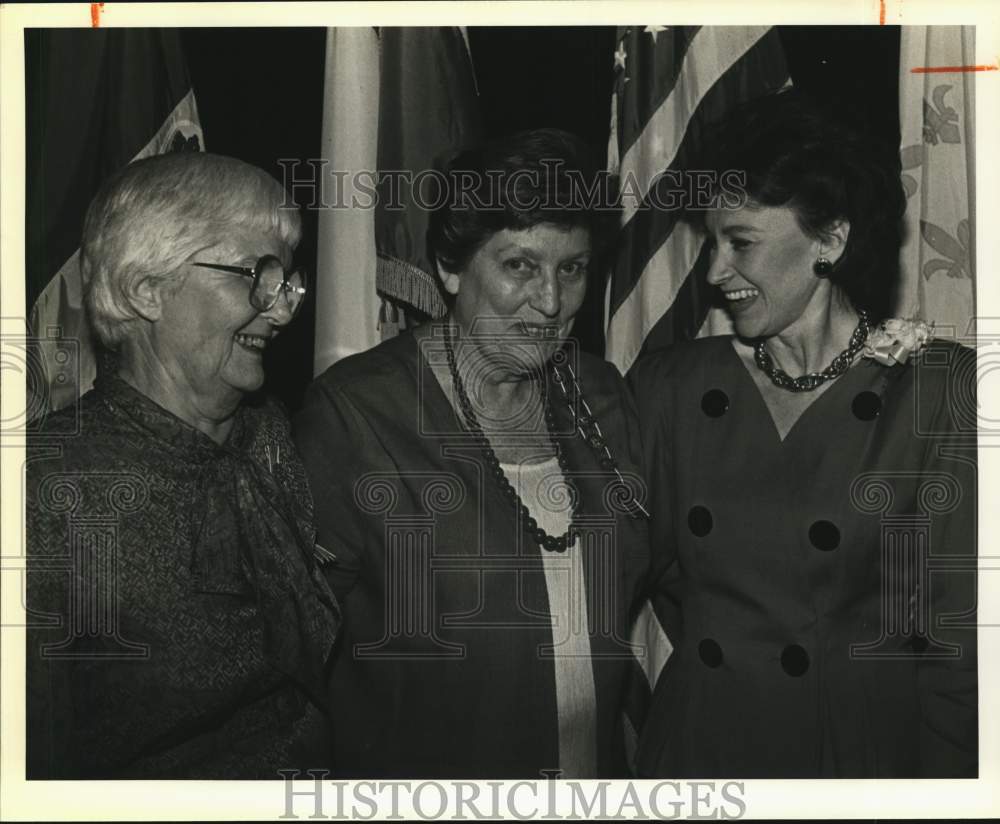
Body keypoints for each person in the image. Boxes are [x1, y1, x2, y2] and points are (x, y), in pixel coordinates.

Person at [630, 90, 977, 778]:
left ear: (831, 240)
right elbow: (654, 580)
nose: (714, 272)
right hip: (702, 750)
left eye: (742, 244)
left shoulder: (935, 393)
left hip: (851, 758)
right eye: (711, 242)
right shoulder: (671, 386)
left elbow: (958, 650)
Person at [295, 129, 649, 778]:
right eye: (519, 265)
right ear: (451, 268)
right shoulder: (354, 415)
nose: (550, 302)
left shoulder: (601, 395)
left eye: (571, 269)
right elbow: (294, 666)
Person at [26, 152, 339, 778]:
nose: (282, 310)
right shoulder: (40, 489)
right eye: (257, 275)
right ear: (146, 290)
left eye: (286, 283)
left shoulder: (271, 436)